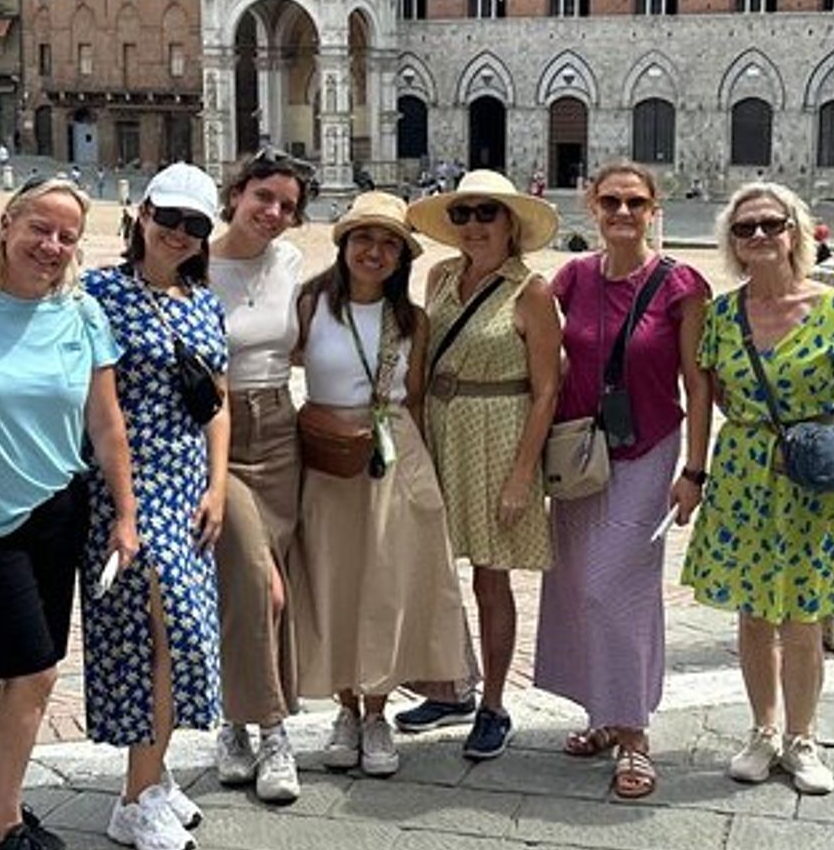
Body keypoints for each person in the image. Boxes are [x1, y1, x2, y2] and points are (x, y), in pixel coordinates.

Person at [0, 177, 139, 850]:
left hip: (59, 511)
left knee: (33, 668)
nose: (51, 246)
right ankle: (2, 827)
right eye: (39, 229)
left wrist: (124, 516)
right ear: (8, 223)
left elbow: (106, 426)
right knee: (34, 669)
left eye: (67, 237)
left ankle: (1, 809)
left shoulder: (81, 314)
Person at [676, 182, 834, 797]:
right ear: (732, 243)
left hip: (807, 475)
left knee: (804, 615)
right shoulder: (722, 315)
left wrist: (815, 442)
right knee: (755, 611)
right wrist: (696, 473)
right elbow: (704, 397)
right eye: (745, 229)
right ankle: (763, 732)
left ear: (796, 231)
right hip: (742, 470)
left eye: (771, 224)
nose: (759, 236)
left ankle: (803, 737)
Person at [537, 163, 711, 800]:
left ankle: (634, 732)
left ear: (653, 208)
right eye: (610, 201)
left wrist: (694, 470)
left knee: (618, 588)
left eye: (634, 202)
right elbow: (535, 346)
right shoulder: (573, 278)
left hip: (647, 451)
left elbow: (698, 383)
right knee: (580, 585)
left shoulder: (680, 284)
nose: (622, 213)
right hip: (581, 451)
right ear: (592, 205)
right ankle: (602, 716)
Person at [290, 192, 468, 779]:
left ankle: (376, 711)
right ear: (343, 245)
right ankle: (344, 707)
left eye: (389, 242)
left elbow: (414, 400)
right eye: (364, 238)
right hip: (327, 458)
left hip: (394, 458)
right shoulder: (311, 304)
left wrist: (429, 479)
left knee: (388, 588)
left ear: (402, 257)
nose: (375, 251)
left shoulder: (412, 321)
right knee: (333, 582)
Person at [82, 163, 229, 850]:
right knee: (157, 637)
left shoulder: (204, 301)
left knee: (183, 636)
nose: (178, 233)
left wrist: (218, 485)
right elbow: (101, 405)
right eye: (168, 217)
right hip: (128, 490)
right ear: (141, 213)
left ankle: (154, 775)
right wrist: (125, 509)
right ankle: (135, 798)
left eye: (195, 225)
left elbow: (215, 404)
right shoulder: (100, 294)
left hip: (189, 486)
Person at [403, 170, 563, 761]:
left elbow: (546, 390)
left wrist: (524, 474)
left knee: (491, 579)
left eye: (486, 214)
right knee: (438, 574)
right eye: (464, 214)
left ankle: (494, 702)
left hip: (500, 435)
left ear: (511, 224)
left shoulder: (533, 291)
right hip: (443, 431)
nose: (473, 225)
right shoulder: (442, 277)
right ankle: (451, 688)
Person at [204, 151, 312, 804]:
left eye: (287, 206)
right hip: (218, 434)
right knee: (257, 583)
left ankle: (233, 725)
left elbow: (293, 340)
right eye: (263, 197)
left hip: (281, 428)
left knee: (269, 588)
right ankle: (273, 731)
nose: (273, 213)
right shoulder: (196, 263)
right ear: (237, 193)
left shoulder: (290, 264)